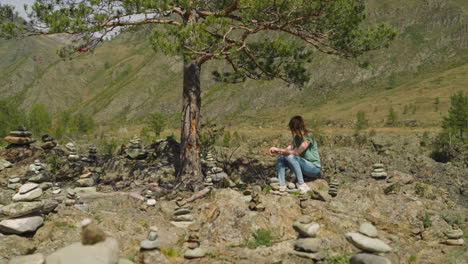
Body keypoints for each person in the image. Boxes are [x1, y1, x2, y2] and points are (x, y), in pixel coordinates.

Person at [269, 116, 321, 193]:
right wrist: (278, 151)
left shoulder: (309, 136)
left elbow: (297, 152)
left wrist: (279, 149)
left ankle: (301, 184)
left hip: (313, 168)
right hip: (304, 166)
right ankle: (282, 184)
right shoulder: (297, 138)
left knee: (291, 157)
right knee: (281, 158)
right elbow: (288, 149)